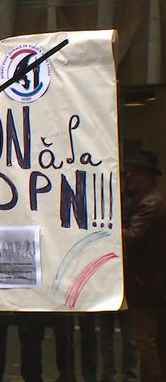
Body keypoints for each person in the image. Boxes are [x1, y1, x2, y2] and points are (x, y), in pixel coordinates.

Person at [122, 150, 166, 381]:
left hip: (148, 285)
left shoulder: (149, 204)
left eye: (134, 174)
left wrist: (107, 233)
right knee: (155, 340)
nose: (129, 178)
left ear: (146, 177)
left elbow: (134, 235)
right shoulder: (155, 200)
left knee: (145, 340)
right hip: (154, 284)